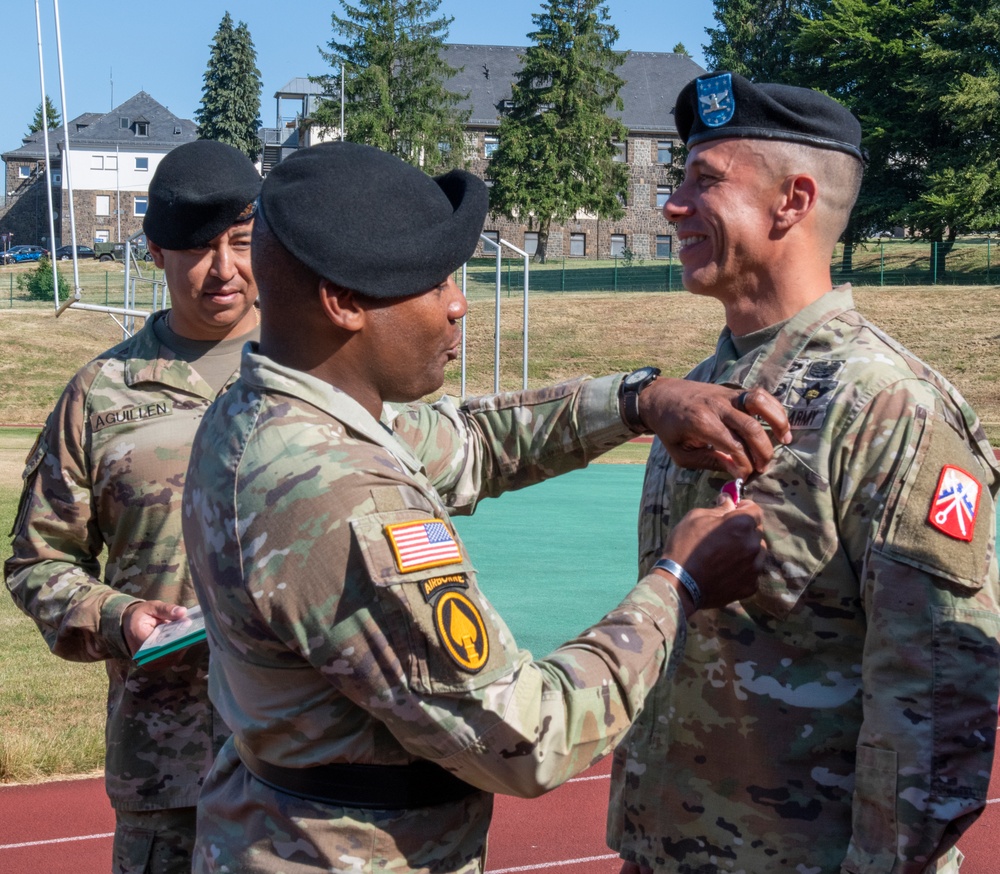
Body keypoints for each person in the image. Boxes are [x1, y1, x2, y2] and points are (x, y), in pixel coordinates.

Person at [179, 140, 790, 873]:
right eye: (433, 283)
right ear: (343, 302)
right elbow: (525, 739)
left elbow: (469, 441)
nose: (457, 304)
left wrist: (638, 400)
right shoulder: (342, 496)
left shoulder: (263, 417)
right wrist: (679, 585)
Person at [606, 71, 1000, 874]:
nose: (672, 205)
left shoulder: (891, 407)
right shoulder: (699, 392)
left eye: (703, 181)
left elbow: (932, 713)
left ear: (792, 202)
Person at [4, 138, 262, 874]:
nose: (223, 270)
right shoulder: (102, 392)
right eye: (196, 249)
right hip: (169, 766)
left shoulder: (314, 371)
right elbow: (38, 560)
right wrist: (118, 618)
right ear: (154, 252)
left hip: (313, 756)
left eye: (241, 244)